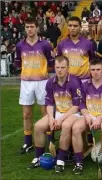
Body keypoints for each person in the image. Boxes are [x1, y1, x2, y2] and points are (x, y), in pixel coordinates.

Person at [27, 56, 82, 173]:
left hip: (74, 113)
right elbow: (50, 103)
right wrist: (51, 118)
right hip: (57, 113)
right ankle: (38, 157)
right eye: (57, 67)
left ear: (68, 68)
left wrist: (61, 119)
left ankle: (60, 161)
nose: (60, 70)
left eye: (63, 67)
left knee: (66, 126)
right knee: (38, 126)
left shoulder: (75, 81)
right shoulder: (50, 82)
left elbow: (76, 106)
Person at [15, 18, 54, 154]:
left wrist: (42, 72)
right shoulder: (20, 45)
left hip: (42, 82)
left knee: (45, 113)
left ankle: (50, 142)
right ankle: (28, 143)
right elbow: (18, 63)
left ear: (37, 28)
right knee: (26, 114)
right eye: (27, 27)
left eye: (32, 27)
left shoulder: (45, 45)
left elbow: (51, 62)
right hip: (26, 82)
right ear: (25, 29)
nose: (29, 29)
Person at [71, 58, 102, 175]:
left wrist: (99, 118)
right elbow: (81, 104)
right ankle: (79, 163)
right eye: (93, 70)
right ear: (89, 71)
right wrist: (87, 115)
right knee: (76, 128)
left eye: (98, 69)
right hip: (88, 115)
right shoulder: (84, 85)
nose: (95, 72)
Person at [56, 16, 95, 82]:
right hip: (67, 80)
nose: (72, 28)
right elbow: (59, 61)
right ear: (67, 27)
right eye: (70, 26)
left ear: (80, 27)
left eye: (75, 26)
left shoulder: (88, 43)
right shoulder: (61, 44)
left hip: (84, 80)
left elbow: (92, 60)